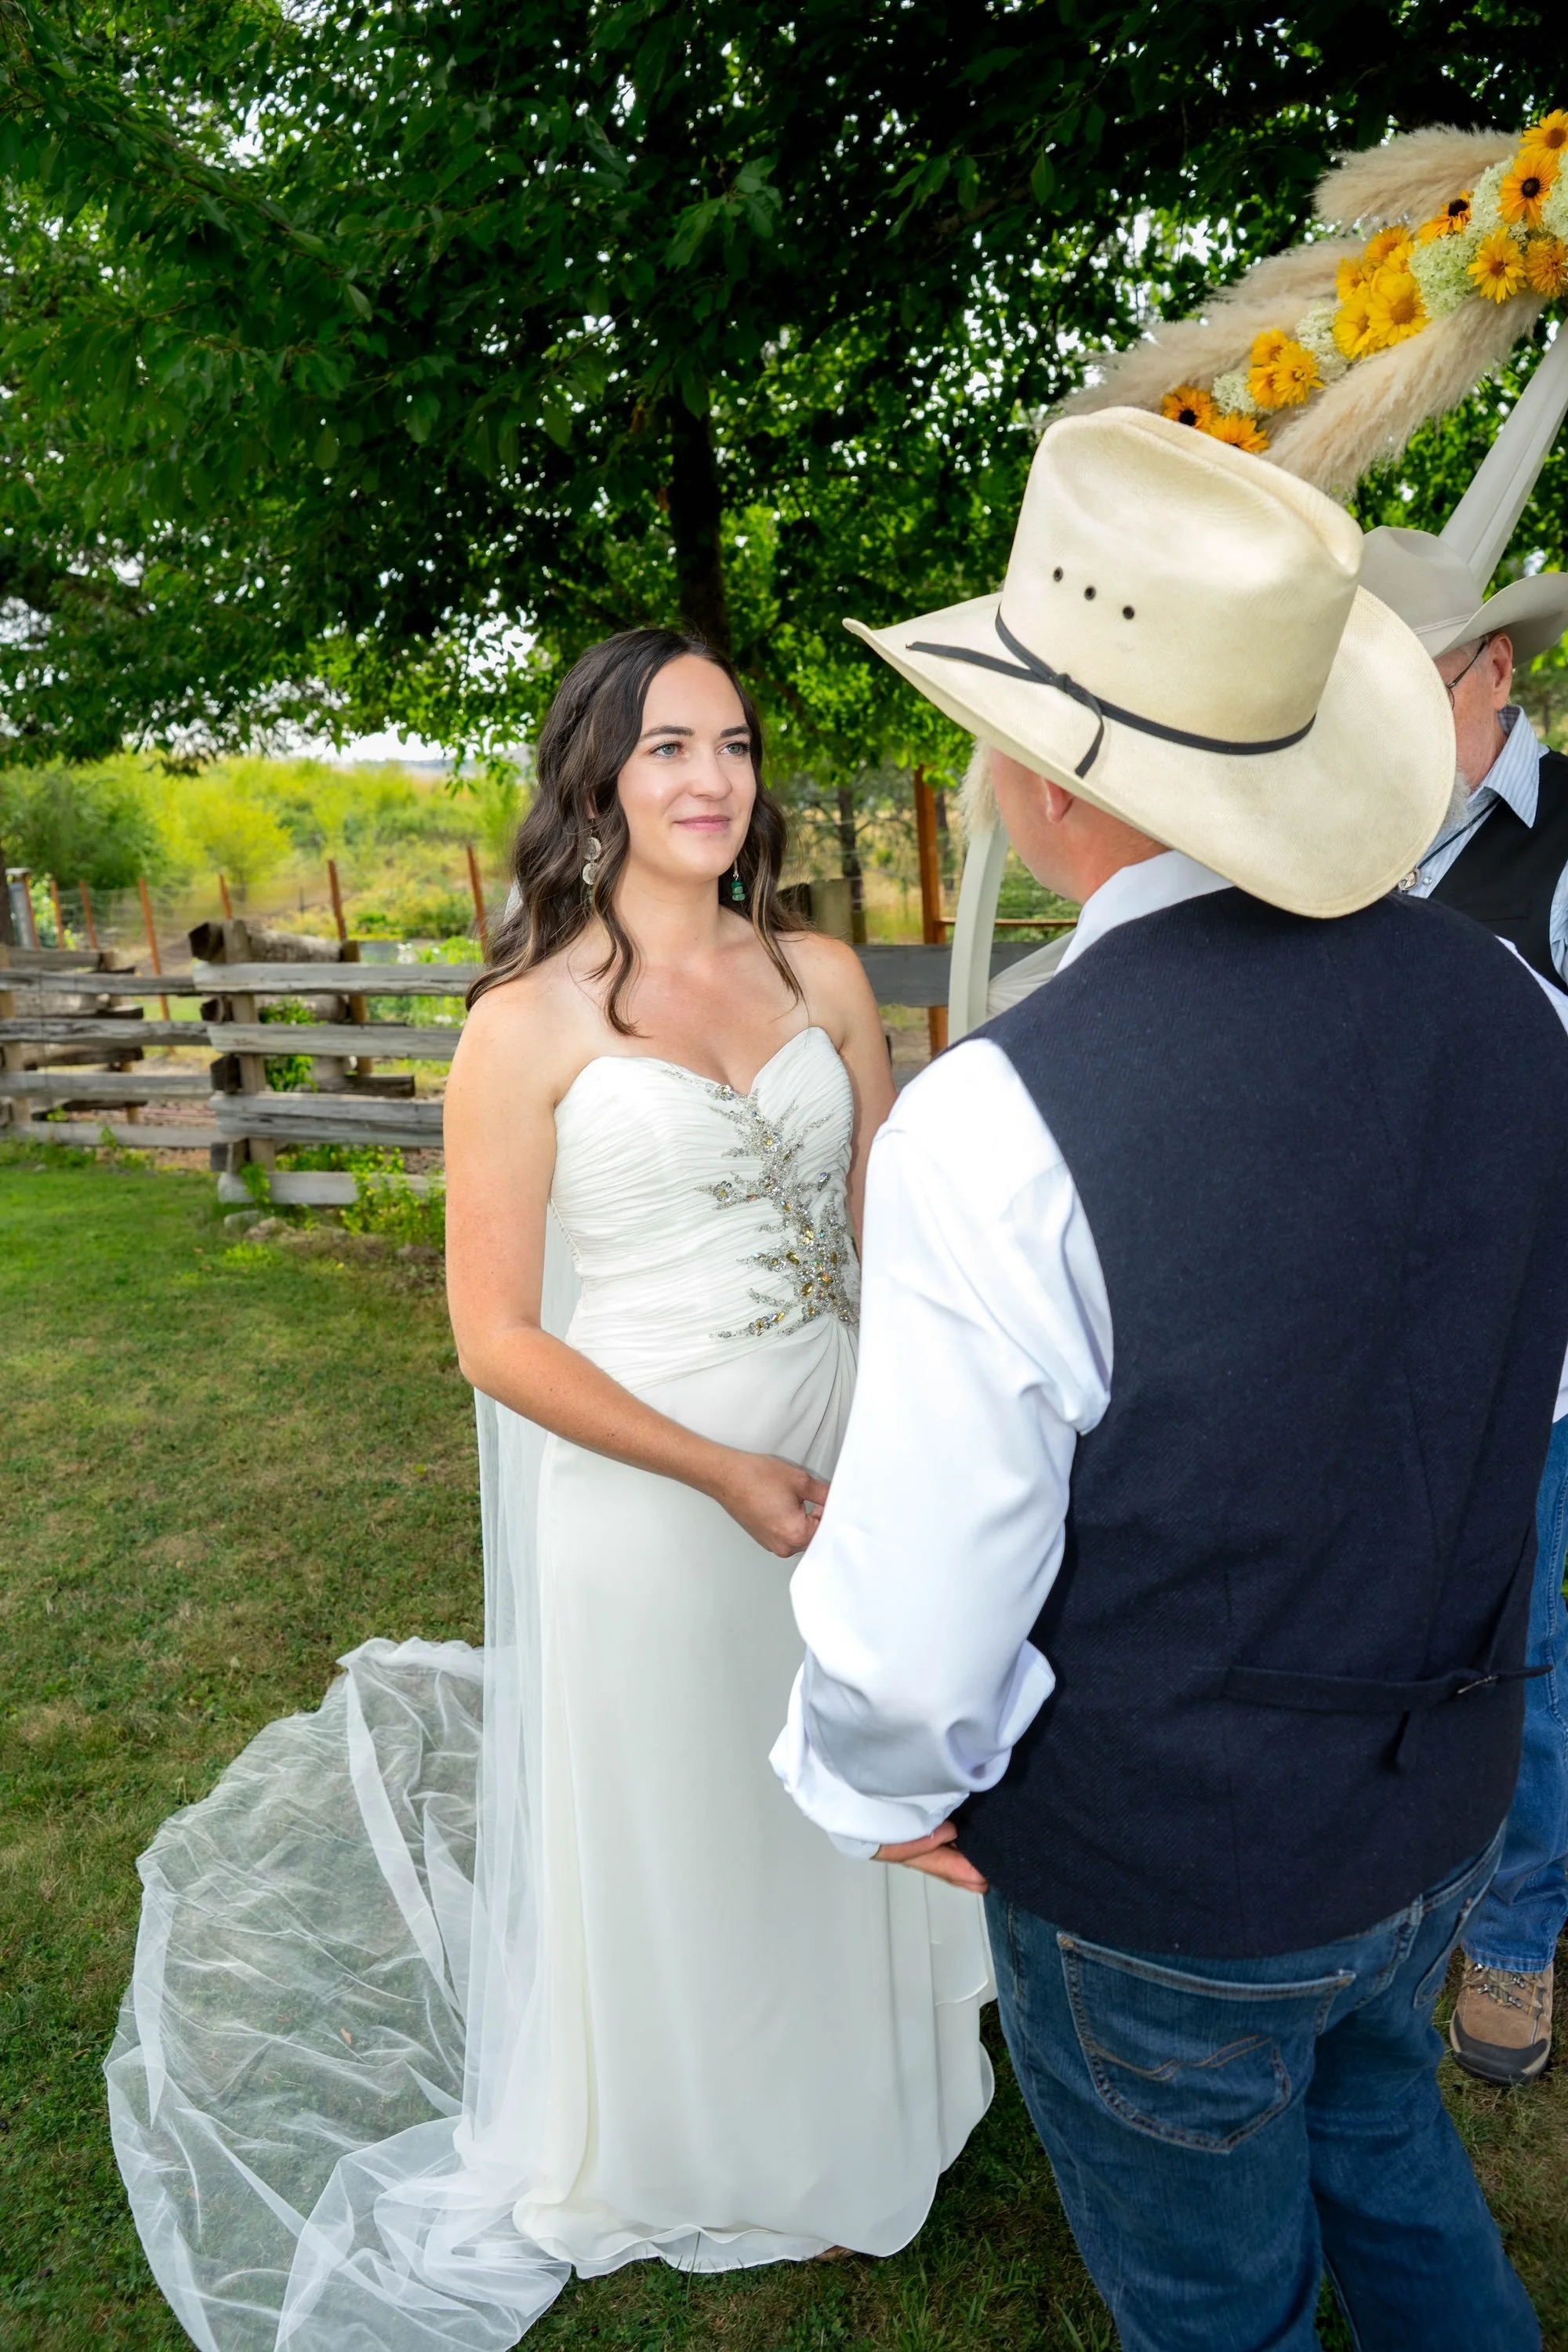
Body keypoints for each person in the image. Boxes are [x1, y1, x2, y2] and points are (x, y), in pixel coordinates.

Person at [772, 408, 1568, 2352]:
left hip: (1171, 1876)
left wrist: (876, 1777)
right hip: (1434, 1807)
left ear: (1048, 790)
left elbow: (915, 1633)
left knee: (1216, 2305)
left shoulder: (998, 1121)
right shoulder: (1515, 1010)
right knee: (1390, 2152)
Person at [105, 628, 992, 2352]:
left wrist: (907, 1452)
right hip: (648, 1491)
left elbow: (893, 1249)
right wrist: (721, 1472)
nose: (711, 780)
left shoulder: (819, 978)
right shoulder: (522, 1024)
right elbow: (496, 1338)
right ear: (594, 776)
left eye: (732, 745)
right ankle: (693, 2129)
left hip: (844, 1451)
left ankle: (851, 2095)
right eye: (669, 747)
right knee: (691, 1816)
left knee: (835, 1792)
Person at [1359, 524, 1568, 2085]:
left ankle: (1511, 1942)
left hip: (1541, 1349)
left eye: (1407, 679)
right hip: (1369, 1341)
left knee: (1531, 1664)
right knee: (1396, 1648)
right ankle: (1400, 1908)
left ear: (1494, 666)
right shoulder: (1333, 829)